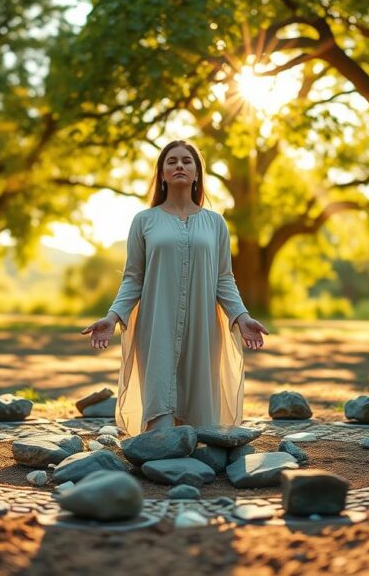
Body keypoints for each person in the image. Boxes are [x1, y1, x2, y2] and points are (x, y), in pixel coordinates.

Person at [80, 140, 270, 436]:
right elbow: (133, 278)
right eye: (172, 161)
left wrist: (242, 317)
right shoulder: (144, 221)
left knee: (203, 427)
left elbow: (224, 278)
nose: (179, 165)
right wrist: (113, 316)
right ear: (162, 173)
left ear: (197, 173)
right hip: (156, 327)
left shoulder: (215, 223)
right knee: (161, 428)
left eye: (186, 161)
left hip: (203, 329)